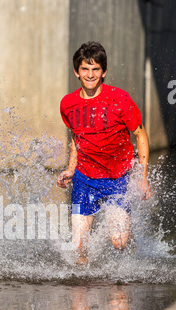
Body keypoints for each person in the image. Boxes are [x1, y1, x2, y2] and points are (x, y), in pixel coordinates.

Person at [57, 41, 151, 263]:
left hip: (117, 178)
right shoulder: (67, 104)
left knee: (119, 242)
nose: (90, 74)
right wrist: (71, 169)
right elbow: (76, 138)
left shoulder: (120, 99)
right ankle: (82, 292)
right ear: (76, 72)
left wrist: (143, 178)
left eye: (95, 69)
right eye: (85, 69)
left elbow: (141, 135)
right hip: (84, 179)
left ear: (104, 72)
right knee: (79, 247)